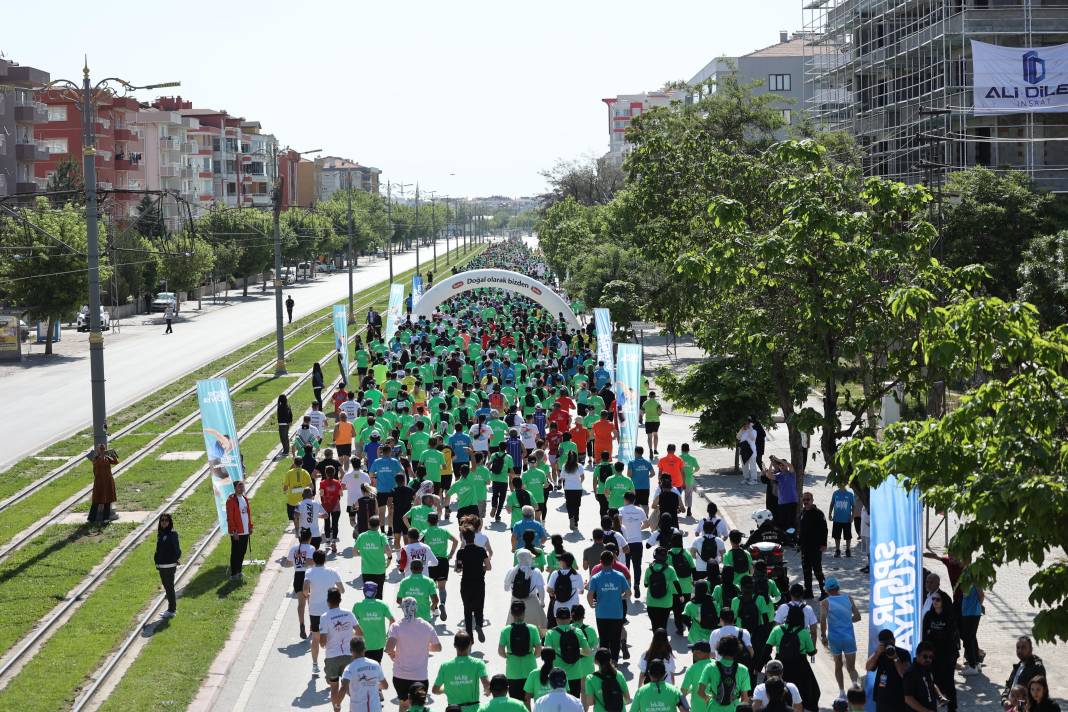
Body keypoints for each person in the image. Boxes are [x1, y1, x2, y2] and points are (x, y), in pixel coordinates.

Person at [386, 598, 443, 712]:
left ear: (402, 609)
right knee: (418, 708)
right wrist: (425, 647)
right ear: (416, 608)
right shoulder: (426, 626)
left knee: (404, 706)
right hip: (420, 676)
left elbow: (388, 648)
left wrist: (392, 654)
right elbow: (438, 647)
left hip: (400, 676)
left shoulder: (396, 626)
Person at [765, 605, 819, 711]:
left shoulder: (777, 629)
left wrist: (758, 667)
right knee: (813, 690)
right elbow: (811, 652)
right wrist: (814, 651)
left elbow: (767, 649)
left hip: (781, 665)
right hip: (800, 666)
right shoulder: (803, 632)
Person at [303, 548, 344, 676]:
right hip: (330, 610)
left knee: (315, 639)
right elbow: (341, 590)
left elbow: (304, 590)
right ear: (325, 560)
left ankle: (315, 665)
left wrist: (308, 594)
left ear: (314, 560)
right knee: (331, 639)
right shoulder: (333, 572)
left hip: (314, 610)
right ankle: (330, 665)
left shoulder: (309, 572)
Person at [819, 577, 861, 699]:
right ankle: (855, 688)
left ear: (826, 590)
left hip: (834, 639)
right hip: (849, 638)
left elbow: (822, 620)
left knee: (838, 666)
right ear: (838, 587)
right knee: (851, 667)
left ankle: (842, 693)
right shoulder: (848, 598)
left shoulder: (825, 602)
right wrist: (847, 621)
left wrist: (823, 636)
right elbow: (858, 617)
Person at [586, 550, 629, 663]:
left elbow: (589, 595)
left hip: (601, 613)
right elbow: (629, 593)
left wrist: (591, 604)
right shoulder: (620, 576)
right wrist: (620, 597)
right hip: (617, 613)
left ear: (600, 562)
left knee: (604, 639)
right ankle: (614, 662)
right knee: (615, 640)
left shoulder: (596, 577)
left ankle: (604, 663)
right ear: (613, 561)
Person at [433, 631, 490, 712]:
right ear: (470, 644)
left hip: (453, 710)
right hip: (473, 709)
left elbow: (435, 690)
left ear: (454, 645)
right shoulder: (478, 663)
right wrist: (488, 691)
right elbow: (487, 685)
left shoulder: (445, 666)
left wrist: (447, 688)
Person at [922, 590, 959, 712]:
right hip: (933, 656)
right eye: (933, 599)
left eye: (937, 600)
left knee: (949, 683)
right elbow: (925, 635)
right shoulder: (929, 616)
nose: (934, 602)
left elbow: (950, 636)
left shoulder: (949, 616)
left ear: (943, 602)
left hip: (948, 655)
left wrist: (934, 634)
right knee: (934, 682)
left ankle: (952, 708)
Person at [500, 600, 543, 701]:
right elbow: (538, 650)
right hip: (530, 669)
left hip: (512, 671)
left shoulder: (505, 630)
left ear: (512, 613)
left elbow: (500, 651)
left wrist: (508, 656)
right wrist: (532, 656)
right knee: (528, 700)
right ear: (524, 613)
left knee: (516, 702)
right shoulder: (532, 629)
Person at [323, 588, 359, 709]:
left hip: (332, 657)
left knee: (334, 687)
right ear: (340, 600)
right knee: (348, 687)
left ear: (328, 601)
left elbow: (322, 643)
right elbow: (360, 632)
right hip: (349, 656)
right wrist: (350, 637)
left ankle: (336, 709)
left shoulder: (324, 617)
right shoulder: (349, 613)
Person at [696, 634, 750, 711]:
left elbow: (700, 692)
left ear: (719, 648)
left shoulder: (710, 667)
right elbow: (745, 698)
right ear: (737, 650)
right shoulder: (743, 669)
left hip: (714, 708)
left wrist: (708, 698)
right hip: (734, 708)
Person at [456, 526, 492, 639]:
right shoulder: (481, 550)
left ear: (463, 538)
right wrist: (480, 568)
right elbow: (489, 567)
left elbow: (458, 569)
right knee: (479, 607)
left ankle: (469, 637)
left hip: (466, 583)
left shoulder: (461, 552)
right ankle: (479, 625)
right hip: (479, 583)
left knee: (467, 609)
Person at [866, 629, 912, 712]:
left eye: (889, 643)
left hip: (899, 696)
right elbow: (868, 668)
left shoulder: (903, 653)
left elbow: (904, 674)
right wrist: (877, 653)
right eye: (885, 644)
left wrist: (895, 657)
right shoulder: (880, 653)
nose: (887, 646)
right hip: (882, 697)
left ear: (894, 640)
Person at [339, 637, 388, 712]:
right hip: (375, 708)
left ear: (351, 651)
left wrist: (337, 704)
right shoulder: (375, 664)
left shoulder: (349, 669)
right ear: (365, 649)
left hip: (357, 708)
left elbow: (343, 688)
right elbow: (385, 686)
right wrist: (373, 684)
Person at [285, 528, 317, 638]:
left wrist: (297, 561)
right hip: (308, 576)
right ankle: (313, 626)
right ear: (310, 538)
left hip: (297, 577)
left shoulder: (293, 548)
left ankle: (301, 625)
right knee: (311, 603)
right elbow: (312, 561)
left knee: (301, 604)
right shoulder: (311, 548)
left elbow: (287, 564)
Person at [506, 549, 547, 631]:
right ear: (529, 559)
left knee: (514, 630)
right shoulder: (536, 571)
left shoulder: (511, 571)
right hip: (532, 602)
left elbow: (506, 588)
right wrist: (541, 602)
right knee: (539, 629)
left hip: (515, 604)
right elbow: (541, 590)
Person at [352, 581, 394, 662]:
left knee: (363, 668)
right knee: (376, 666)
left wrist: (354, 635)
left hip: (362, 644)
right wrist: (388, 634)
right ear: (376, 592)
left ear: (364, 592)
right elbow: (392, 620)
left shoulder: (358, 605)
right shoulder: (382, 605)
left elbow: (352, 623)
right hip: (379, 642)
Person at [903, 641, 949, 711]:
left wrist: (940, 696)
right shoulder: (910, 673)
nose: (928, 659)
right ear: (917, 655)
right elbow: (908, 698)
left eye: (931, 657)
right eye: (925, 656)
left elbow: (932, 684)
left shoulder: (927, 667)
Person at [645, 547, 682, 633]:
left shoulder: (649, 569)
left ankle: (655, 644)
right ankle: (663, 645)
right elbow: (676, 584)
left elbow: (646, 585)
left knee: (655, 626)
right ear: (666, 557)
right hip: (666, 603)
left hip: (651, 603)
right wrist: (680, 595)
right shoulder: (670, 569)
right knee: (663, 626)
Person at [797, 492, 827, 599]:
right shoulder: (802, 513)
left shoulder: (818, 513)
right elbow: (801, 530)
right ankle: (808, 591)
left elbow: (825, 530)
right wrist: (799, 543)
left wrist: (824, 544)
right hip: (805, 548)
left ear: (812, 500)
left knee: (818, 570)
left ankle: (824, 591)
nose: (806, 502)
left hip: (815, 547)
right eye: (804, 500)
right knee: (806, 571)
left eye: (808, 499)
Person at [354, 515, 391, 598]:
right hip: (380, 571)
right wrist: (389, 559)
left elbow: (354, 552)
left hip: (366, 571)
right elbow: (388, 551)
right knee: (378, 594)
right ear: (379, 525)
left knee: (368, 595)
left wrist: (362, 554)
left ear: (368, 525)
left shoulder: (361, 536)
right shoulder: (382, 536)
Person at [1003, 636, 1046, 706]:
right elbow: (1009, 685)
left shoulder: (1037, 668)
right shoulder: (1019, 665)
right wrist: (1004, 699)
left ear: (1031, 649)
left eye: (1023, 647)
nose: (1020, 650)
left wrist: (1021, 706)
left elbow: (1038, 694)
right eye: (1018, 648)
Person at [584, 648, 630, 712]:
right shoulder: (619, 675)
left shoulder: (590, 679)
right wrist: (615, 702)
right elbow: (627, 699)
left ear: (595, 661)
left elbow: (590, 702)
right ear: (610, 660)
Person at [154, 512, 181, 618]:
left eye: (166, 520)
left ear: (170, 522)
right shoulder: (160, 533)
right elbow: (159, 550)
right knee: (167, 587)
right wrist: (157, 561)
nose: (164, 522)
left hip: (169, 565)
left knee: (169, 587)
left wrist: (174, 560)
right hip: (162, 565)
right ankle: (171, 609)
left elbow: (177, 550)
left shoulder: (172, 533)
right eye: (162, 520)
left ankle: (172, 610)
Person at [225, 479, 252, 580]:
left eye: (242, 486)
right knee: (236, 552)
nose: (241, 488)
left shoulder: (245, 498)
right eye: (239, 486)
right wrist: (234, 531)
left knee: (242, 552)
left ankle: (239, 571)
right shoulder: (231, 500)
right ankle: (233, 574)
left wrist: (250, 526)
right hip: (237, 532)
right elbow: (230, 518)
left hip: (245, 531)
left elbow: (249, 514)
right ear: (235, 488)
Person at [88, 444, 119, 524]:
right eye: (101, 449)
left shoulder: (107, 458)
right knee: (96, 500)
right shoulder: (95, 458)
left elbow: (116, 462)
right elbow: (96, 463)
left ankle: (106, 518)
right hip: (99, 482)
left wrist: (113, 454)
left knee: (108, 500)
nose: (102, 450)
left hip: (108, 481)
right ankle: (91, 518)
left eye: (103, 449)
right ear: (98, 450)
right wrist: (101, 455)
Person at [828, 482, 855, 557]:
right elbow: (832, 503)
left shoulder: (850, 494)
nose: (839, 483)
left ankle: (848, 550)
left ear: (845, 483)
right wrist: (830, 513)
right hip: (837, 518)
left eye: (841, 482)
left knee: (848, 536)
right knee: (837, 536)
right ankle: (837, 550)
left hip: (847, 519)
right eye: (838, 482)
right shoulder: (835, 493)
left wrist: (852, 516)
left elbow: (853, 506)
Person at [737, 419, 758, 485]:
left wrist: (750, 429)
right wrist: (741, 430)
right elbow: (738, 437)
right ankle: (746, 478)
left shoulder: (754, 431)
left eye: (747, 424)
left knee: (752, 465)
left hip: (751, 451)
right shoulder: (743, 431)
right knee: (744, 465)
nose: (746, 425)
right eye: (745, 424)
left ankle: (754, 479)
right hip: (743, 450)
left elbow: (753, 438)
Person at [643, 391, 662, 456]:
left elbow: (642, 412)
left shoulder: (645, 403)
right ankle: (655, 449)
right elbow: (659, 413)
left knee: (649, 436)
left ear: (649, 396)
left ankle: (650, 449)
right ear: (654, 396)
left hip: (648, 421)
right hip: (656, 421)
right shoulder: (657, 403)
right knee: (655, 435)